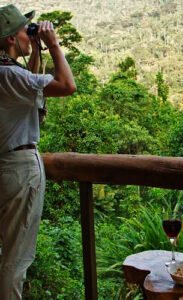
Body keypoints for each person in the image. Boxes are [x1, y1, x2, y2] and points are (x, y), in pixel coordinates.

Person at [0, 4, 76, 299]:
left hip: (6, 167)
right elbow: (67, 85)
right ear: (10, 39)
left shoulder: (8, 74)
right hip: (19, 169)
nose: (27, 34)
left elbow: (28, 96)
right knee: (16, 258)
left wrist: (34, 52)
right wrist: (53, 46)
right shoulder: (9, 75)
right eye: (24, 30)